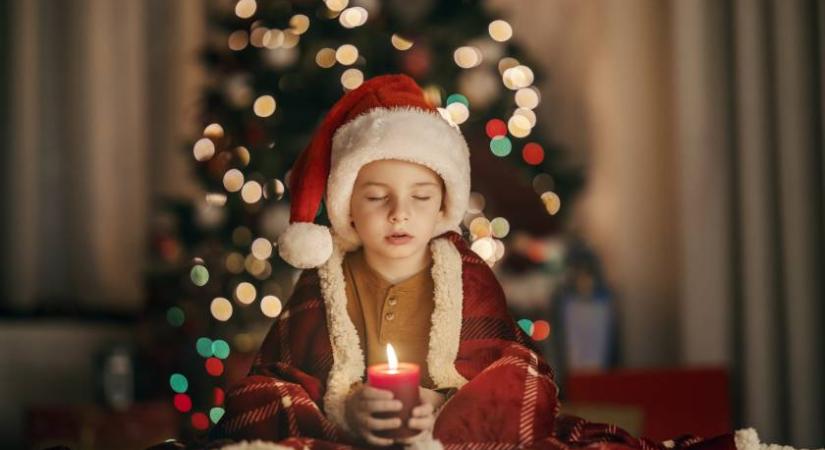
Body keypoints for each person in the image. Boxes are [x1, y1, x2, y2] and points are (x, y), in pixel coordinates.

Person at [207, 74, 748, 450]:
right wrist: (349, 410)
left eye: (420, 196)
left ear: (444, 203)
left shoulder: (464, 277)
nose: (399, 213)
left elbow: (507, 365)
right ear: (346, 202)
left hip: (452, 434)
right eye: (376, 197)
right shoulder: (322, 284)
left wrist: (441, 403)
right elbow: (278, 378)